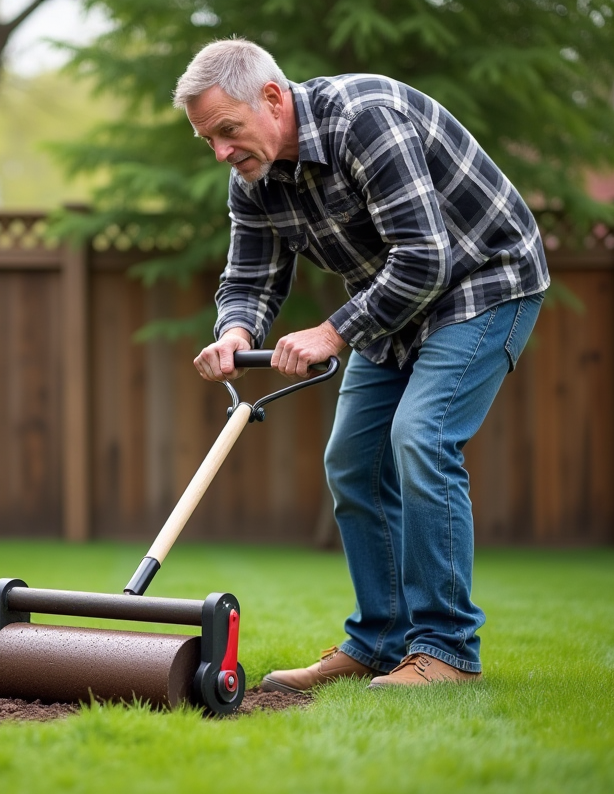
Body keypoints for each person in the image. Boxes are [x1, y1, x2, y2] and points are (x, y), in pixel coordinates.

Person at [176, 39, 549, 689]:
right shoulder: (255, 179)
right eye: (208, 139)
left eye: (227, 130)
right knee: (353, 461)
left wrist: (331, 332)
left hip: (486, 282)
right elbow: (251, 278)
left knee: (422, 436)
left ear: (272, 97)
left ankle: (448, 650)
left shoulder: (363, 120)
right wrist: (235, 333)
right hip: (396, 303)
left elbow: (425, 257)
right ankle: (379, 641)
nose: (221, 152)